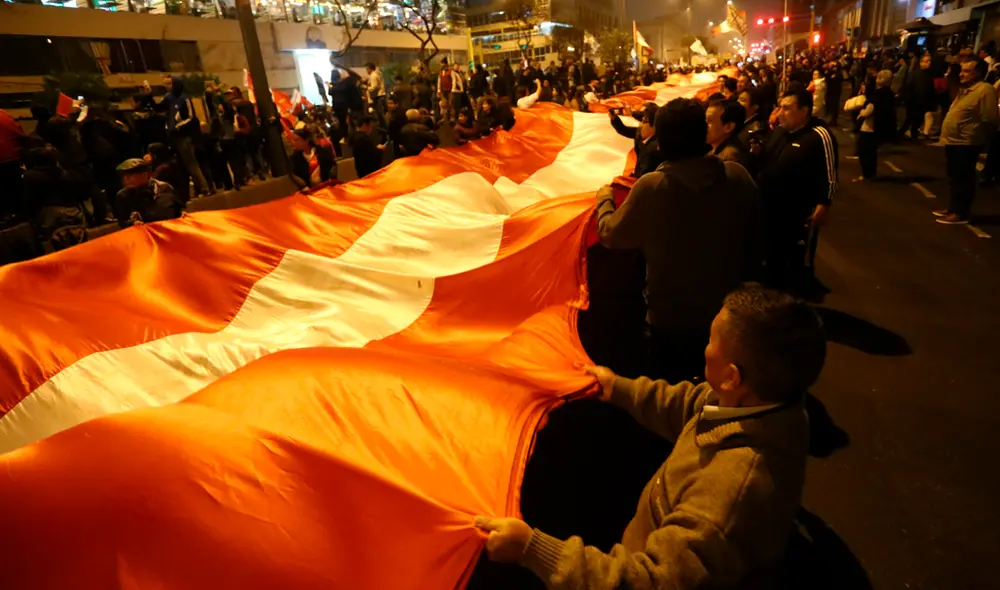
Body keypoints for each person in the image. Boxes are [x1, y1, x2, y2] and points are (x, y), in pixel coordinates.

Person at [476, 285, 825, 590]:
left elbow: (650, 581)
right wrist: (616, 388)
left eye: (711, 341)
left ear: (732, 378)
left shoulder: (727, 499)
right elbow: (691, 404)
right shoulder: (762, 405)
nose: (705, 348)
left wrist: (532, 549)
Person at [591, 98, 763, 382]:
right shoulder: (737, 175)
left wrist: (605, 201)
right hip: (730, 311)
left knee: (673, 390)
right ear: (702, 133)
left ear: (661, 142)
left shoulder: (653, 187)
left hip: (671, 318)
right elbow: (757, 236)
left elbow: (610, 234)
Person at [756, 89, 838, 291]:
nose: (780, 112)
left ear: (804, 111)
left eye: (787, 108)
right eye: (780, 107)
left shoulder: (819, 136)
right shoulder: (780, 132)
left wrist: (824, 203)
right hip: (770, 210)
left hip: (798, 213)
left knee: (797, 261)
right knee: (772, 258)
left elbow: (829, 174)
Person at [935, 59, 999, 225]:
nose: (962, 74)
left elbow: (990, 118)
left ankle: (961, 212)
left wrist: (982, 136)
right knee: (954, 176)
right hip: (954, 141)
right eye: (962, 71)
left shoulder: (984, 90)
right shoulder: (966, 90)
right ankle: (952, 208)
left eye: (967, 71)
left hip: (967, 141)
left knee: (963, 178)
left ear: (978, 73)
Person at [163, 76, 213, 197]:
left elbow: (191, 116)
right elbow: (164, 112)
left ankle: (204, 187)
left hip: (185, 136)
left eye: (170, 84)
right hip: (175, 136)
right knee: (184, 165)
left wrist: (178, 126)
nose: (167, 87)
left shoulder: (184, 99)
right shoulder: (169, 99)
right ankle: (195, 189)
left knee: (192, 163)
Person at [113, 157, 181, 228]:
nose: (125, 179)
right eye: (124, 176)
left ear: (143, 174)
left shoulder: (165, 188)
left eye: (130, 175)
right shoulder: (123, 196)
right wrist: (132, 223)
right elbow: (122, 222)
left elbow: (179, 211)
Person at [608, 102, 664, 178]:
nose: (640, 125)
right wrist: (614, 119)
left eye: (644, 121)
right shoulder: (639, 133)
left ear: (654, 126)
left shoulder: (659, 145)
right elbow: (623, 130)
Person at [706, 99, 752, 173]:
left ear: (729, 127)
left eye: (710, 121)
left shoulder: (728, 159)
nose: (703, 125)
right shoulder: (719, 149)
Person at [901, 54, 935, 140]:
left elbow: (930, 90)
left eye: (929, 61)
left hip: (923, 102)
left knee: (917, 121)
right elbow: (908, 87)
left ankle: (913, 135)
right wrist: (908, 100)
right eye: (926, 61)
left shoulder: (930, 75)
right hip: (913, 101)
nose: (928, 63)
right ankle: (900, 135)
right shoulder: (914, 74)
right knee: (909, 119)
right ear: (921, 63)